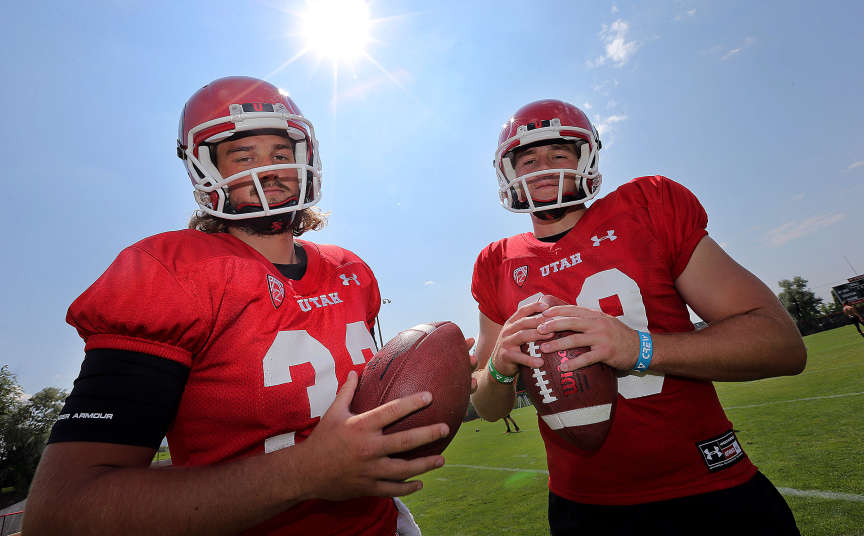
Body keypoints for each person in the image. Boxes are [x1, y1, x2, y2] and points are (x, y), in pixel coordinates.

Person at [24, 76, 449, 536]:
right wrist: (302, 473)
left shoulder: (351, 270)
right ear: (207, 170)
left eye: (281, 153)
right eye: (243, 156)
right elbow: (63, 511)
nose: (267, 169)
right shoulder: (169, 272)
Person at [470, 100, 807, 535]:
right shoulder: (496, 262)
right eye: (527, 158)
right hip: (584, 506)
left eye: (559, 153)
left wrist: (639, 347)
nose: (543, 167)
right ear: (509, 175)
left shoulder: (648, 207)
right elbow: (487, 405)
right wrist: (498, 368)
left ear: (586, 158)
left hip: (708, 488)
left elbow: (781, 344)